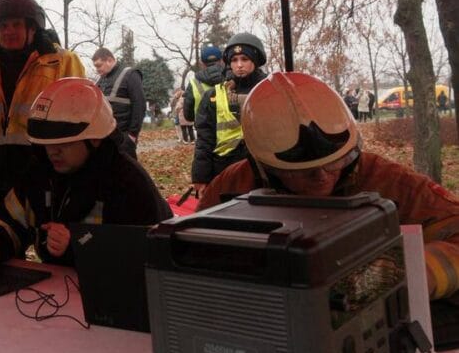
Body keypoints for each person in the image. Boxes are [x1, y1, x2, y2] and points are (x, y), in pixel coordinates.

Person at [0, 78, 170, 353]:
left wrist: (79, 246)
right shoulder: (40, 173)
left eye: (64, 143)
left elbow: (144, 262)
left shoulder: (128, 184)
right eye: (47, 143)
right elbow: (10, 217)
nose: (53, 152)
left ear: (94, 140)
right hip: (58, 309)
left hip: (115, 326)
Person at [198, 72, 459, 300]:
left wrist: (417, 273)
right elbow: (192, 251)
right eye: (304, 172)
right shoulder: (232, 186)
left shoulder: (389, 181)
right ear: (265, 168)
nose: (322, 177)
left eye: (337, 162)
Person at [0, 0, 84, 218]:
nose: (9, 31)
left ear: (32, 28)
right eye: (3, 26)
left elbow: (79, 116)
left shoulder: (62, 61)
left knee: (44, 234)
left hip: (44, 169)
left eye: (16, 24)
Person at [191, 32, 267, 197]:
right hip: (225, 172)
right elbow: (205, 140)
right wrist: (201, 177)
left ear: (255, 60)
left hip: (265, 172)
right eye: (234, 60)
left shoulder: (271, 91)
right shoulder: (214, 95)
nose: (239, 65)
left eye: (245, 59)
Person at [91, 47, 145, 157]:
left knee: (127, 167)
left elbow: (139, 106)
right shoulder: (101, 80)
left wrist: (132, 136)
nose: (97, 70)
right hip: (104, 137)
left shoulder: (131, 74)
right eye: (95, 67)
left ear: (109, 60)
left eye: (99, 65)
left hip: (123, 137)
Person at [183, 44, 224, 137]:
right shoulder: (231, 79)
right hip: (231, 137)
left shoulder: (193, 84)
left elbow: (188, 116)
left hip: (204, 136)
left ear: (202, 63)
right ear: (221, 61)